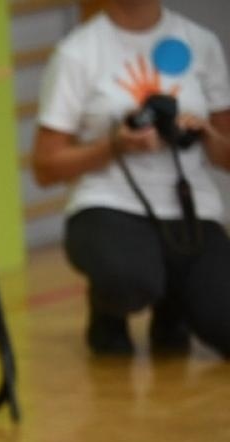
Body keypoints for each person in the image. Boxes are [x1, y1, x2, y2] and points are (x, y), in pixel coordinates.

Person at [32, 0, 230, 357]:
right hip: (109, 203)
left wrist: (206, 136)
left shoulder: (201, 42)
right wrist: (114, 146)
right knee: (128, 277)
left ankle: (175, 304)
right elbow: (45, 167)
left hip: (191, 210)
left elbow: (225, 156)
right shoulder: (78, 52)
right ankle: (108, 312)